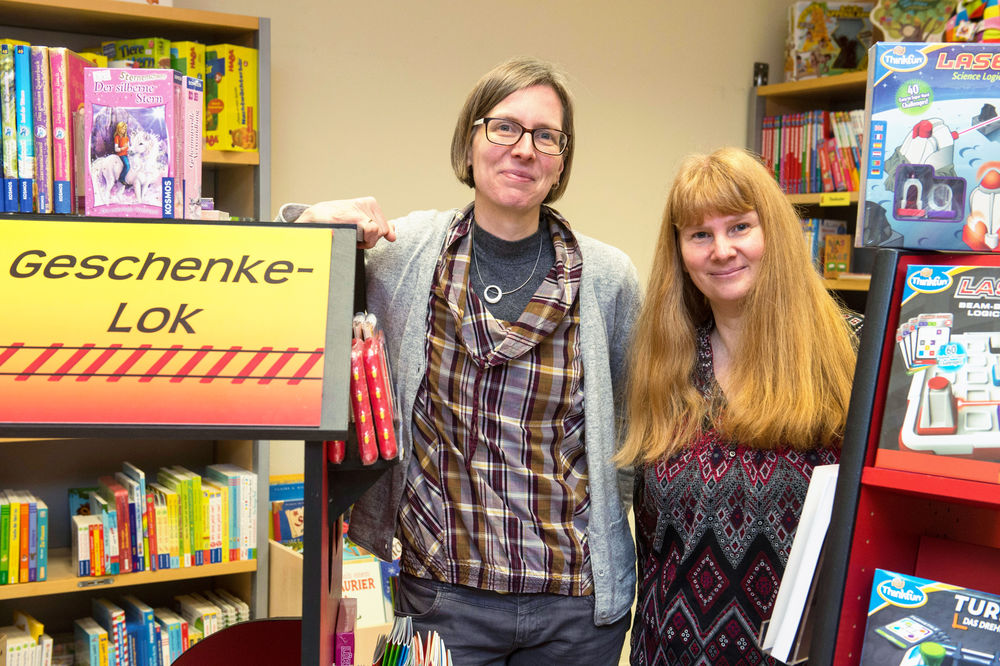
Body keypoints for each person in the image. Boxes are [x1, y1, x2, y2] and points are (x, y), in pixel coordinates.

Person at [279, 56, 640, 664]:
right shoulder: (405, 253)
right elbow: (288, 297)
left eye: (546, 136)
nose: (523, 149)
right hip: (442, 604)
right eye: (505, 127)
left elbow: (632, 431)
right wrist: (314, 224)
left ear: (561, 160)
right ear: (469, 141)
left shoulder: (608, 278)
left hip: (574, 613)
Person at [617, 147, 863, 665]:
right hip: (670, 651)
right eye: (699, 235)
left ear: (774, 231)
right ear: (679, 251)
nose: (722, 250)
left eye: (740, 227)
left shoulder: (851, 354)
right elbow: (651, 547)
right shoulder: (662, 367)